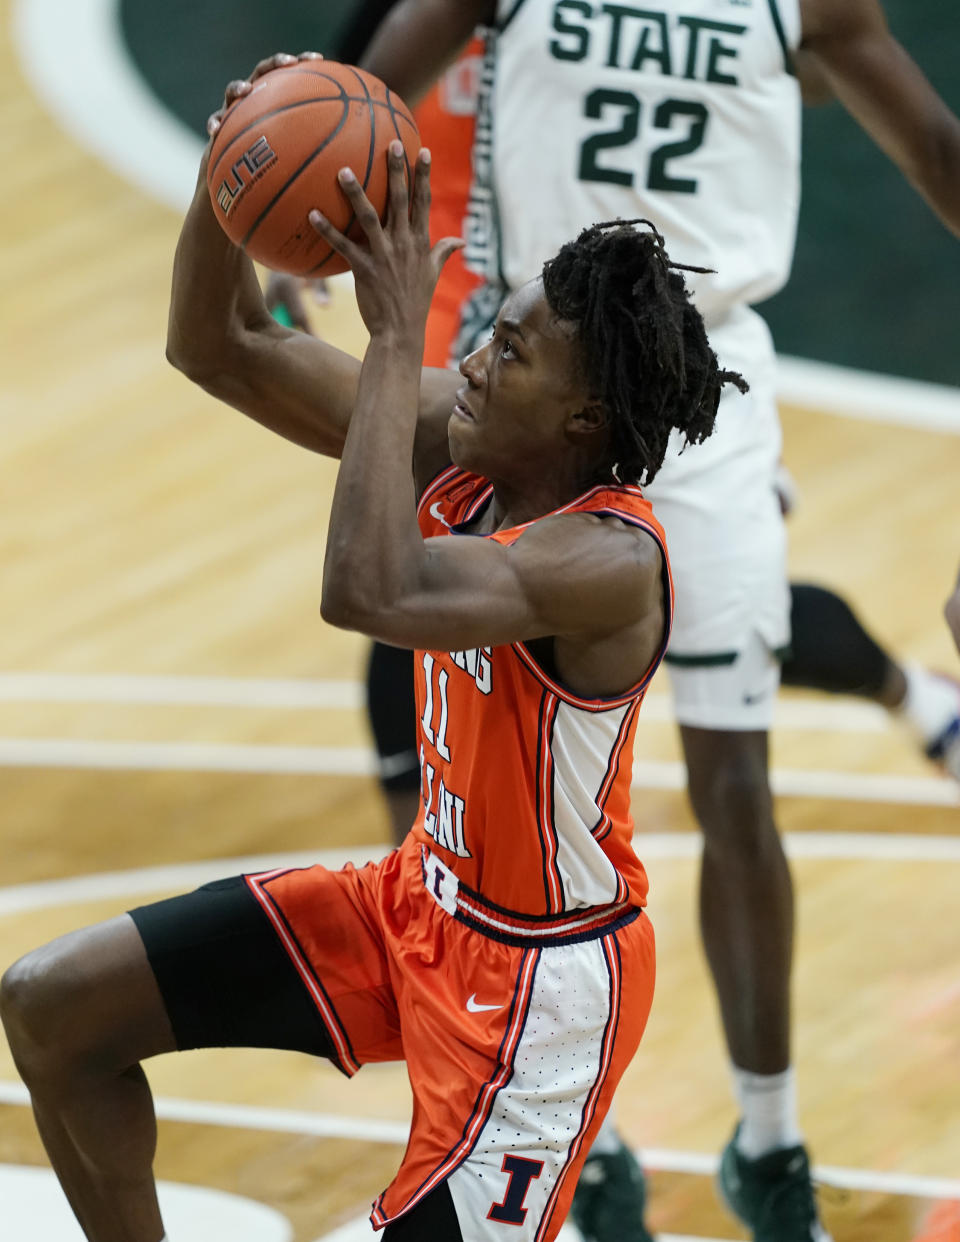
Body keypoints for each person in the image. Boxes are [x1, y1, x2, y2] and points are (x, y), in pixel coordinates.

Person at [0, 52, 749, 1242]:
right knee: (53, 1008)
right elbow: (219, 343)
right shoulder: (469, 437)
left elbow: (366, 591)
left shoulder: (605, 562)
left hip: (534, 998)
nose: (482, 356)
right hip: (411, 904)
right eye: (487, 335)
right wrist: (229, 163)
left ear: (583, 418)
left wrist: (396, 336)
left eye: (511, 350)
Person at [353, 3, 960, 1239]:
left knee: (735, 780)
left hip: (709, 388)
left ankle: (773, 1142)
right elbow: (360, 103)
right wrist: (275, 180)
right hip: (531, 381)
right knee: (497, 767)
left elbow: (940, 156)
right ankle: (584, 1137)